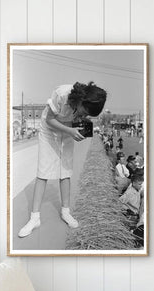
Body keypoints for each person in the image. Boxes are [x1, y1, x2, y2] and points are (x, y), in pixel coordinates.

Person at [18, 82, 107, 238]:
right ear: (81, 100)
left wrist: (78, 130)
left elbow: (77, 121)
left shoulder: (81, 109)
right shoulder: (62, 94)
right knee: (42, 172)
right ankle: (35, 218)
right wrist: (70, 130)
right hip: (49, 129)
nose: (84, 116)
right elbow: (49, 120)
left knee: (65, 171)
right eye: (85, 111)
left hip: (67, 130)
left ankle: (66, 212)